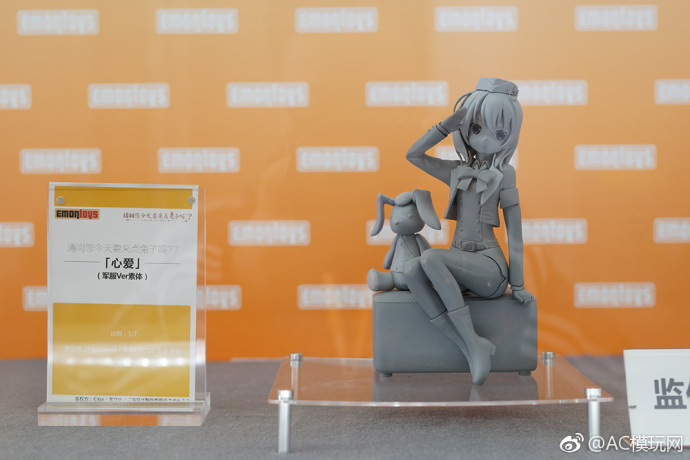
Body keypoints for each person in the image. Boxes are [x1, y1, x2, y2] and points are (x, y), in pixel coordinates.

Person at [403, 77, 534, 385]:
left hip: (489, 268)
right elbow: (413, 155)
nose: (486, 139)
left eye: (499, 133)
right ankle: (469, 344)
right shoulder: (456, 171)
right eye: (477, 128)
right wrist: (443, 128)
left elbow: (515, 231)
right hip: (458, 265)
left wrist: (517, 284)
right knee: (411, 270)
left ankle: (473, 344)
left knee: (431, 259)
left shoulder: (504, 174)